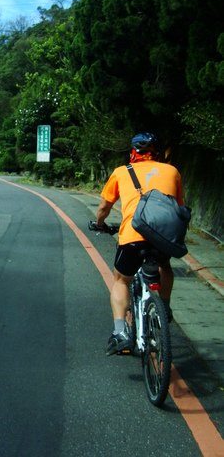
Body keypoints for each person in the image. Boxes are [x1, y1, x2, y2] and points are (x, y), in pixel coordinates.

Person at [95, 132, 184, 356]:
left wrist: (99, 223)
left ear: (133, 152)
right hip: (164, 237)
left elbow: (104, 207)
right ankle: (164, 306)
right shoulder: (172, 171)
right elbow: (179, 207)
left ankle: (120, 332)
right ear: (158, 152)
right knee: (164, 266)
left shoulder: (122, 172)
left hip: (133, 236)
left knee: (121, 280)